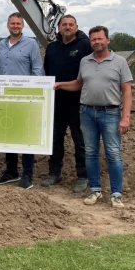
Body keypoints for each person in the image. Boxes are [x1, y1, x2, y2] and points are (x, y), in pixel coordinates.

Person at [54, 25, 133, 208]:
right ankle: (95, 190)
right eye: (93, 39)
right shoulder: (85, 61)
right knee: (90, 153)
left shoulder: (119, 62)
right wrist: (60, 85)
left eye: (100, 39)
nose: (97, 42)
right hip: (87, 112)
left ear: (107, 40)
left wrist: (125, 117)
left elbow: (127, 91)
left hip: (111, 113)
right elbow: (79, 84)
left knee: (113, 154)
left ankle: (115, 194)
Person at [0, 12, 45, 190]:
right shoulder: (1, 45)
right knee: (8, 133)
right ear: (8, 25)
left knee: (25, 136)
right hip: (5, 98)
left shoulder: (31, 44)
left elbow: (38, 71)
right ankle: (11, 171)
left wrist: (35, 96)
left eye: (18, 23)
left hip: (24, 99)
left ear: (23, 26)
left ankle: (27, 175)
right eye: (12, 23)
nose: (15, 26)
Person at [42, 15, 92, 193]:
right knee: (55, 139)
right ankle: (54, 173)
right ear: (59, 27)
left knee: (80, 140)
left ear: (76, 27)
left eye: (71, 24)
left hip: (79, 102)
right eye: (64, 24)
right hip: (56, 102)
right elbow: (47, 71)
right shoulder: (52, 48)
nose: (67, 27)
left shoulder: (84, 46)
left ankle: (82, 175)